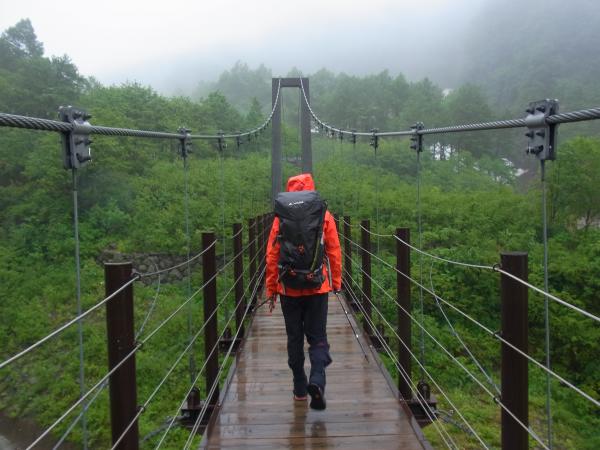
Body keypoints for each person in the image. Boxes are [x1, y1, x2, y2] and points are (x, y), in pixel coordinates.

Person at [266, 173, 342, 410]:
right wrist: (336, 281)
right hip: (317, 285)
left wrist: (271, 289)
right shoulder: (323, 214)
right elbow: (334, 251)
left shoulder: (281, 217)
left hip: (288, 287)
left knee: (294, 338)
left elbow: (272, 255)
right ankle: (317, 380)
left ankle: (299, 387)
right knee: (318, 337)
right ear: (311, 188)